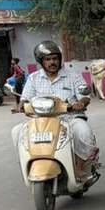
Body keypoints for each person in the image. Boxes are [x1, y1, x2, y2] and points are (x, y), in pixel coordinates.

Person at [15, 41, 98, 169]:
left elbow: (85, 96)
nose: (52, 62)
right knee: (17, 132)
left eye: (55, 58)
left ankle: (82, 166)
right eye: (48, 59)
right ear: (41, 61)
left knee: (84, 132)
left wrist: (81, 103)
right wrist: (22, 104)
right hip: (41, 122)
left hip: (70, 119)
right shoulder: (33, 78)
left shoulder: (73, 76)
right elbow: (25, 98)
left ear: (60, 59)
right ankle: (26, 163)